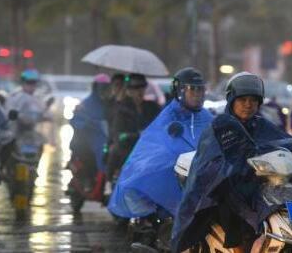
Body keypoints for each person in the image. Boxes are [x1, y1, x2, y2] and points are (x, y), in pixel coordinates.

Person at [171, 72, 292, 252]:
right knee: (230, 197)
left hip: (261, 189)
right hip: (226, 192)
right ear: (231, 100)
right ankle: (237, 244)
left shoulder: (263, 125)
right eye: (242, 99)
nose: (248, 105)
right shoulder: (221, 127)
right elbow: (210, 165)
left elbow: (286, 144)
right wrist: (235, 168)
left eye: (253, 100)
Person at [108, 67, 213, 221]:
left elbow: (213, 135)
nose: (197, 95)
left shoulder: (205, 116)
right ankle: (154, 220)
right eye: (192, 90)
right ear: (180, 91)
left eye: (200, 90)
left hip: (196, 165)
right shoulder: (169, 114)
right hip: (166, 160)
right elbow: (159, 139)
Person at [106, 74, 161, 182]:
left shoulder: (152, 108)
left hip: (149, 154)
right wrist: (136, 135)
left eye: (142, 87)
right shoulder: (121, 110)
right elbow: (118, 136)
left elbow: (162, 126)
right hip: (128, 154)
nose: (139, 91)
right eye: (135, 88)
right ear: (129, 91)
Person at [68, 74, 112, 204]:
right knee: (87, 157)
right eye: (102, 87)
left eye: (107, 87)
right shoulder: (85, 104)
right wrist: (86, 124)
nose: (104, 90)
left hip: (107, 139)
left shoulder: (110, 104)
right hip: (88, 141)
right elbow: (75, 120)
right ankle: (87, 179)